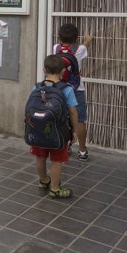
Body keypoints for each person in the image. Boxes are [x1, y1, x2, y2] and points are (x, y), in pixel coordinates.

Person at [30, 54, 79, 199]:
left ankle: (44, 180)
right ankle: (55, 188)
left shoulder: (37, 87)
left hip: (38, 130)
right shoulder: (67, 89)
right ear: (63, 71)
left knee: (40, 156)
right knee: (57, 160)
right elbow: (73, 112)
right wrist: (74, 131)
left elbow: (30, 106)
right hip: (59, 132)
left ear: (44, 69)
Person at [54, 23, 93, 161]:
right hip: (77, 89)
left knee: (63, 119)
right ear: (76, 38)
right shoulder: (80, 49)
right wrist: (88, 40)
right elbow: (85, 45)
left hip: (59, 88)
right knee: (80, 119)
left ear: (59, 37)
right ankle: (82, 151)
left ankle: (66, 146)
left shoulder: (56, 48)